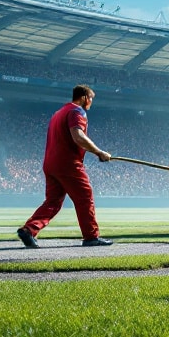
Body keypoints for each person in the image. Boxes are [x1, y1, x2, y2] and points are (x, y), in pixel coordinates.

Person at [17, 85, 113, 248]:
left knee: (53, 201)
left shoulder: (58, 113)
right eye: (90, 98)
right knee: (85, 196)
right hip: (68, 163)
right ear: (83, 97)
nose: (91, 102)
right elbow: (78, 136)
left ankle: (29, 230)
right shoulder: (77, 112)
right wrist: (100, 152)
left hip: (50, 163)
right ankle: (91, 236)